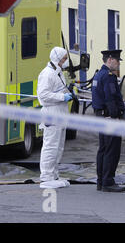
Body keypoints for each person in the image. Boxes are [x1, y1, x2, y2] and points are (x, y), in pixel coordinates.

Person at [37, 47, 72, 189]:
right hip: (52, 114)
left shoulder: (57, 73)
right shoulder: (47, 74)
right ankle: (46, 176)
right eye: (63, 59)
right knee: (50, 146)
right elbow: (43, 96)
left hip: (60, 115)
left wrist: (67, 92)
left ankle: (53, 174)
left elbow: (58, 89)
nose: (65, 61)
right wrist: (62, 97)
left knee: (58, 147)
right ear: (57, 59)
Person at [92, 49, 125, 193]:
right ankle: (108, 181)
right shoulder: (109, 77)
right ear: (110, 59)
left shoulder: (98, 75)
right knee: (112, 150)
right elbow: (110, 98)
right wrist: (116, 116)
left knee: (103, 149)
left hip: (100, 116)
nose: (118, 64)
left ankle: (101, 180)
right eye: (117, 61)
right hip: (109, 118)